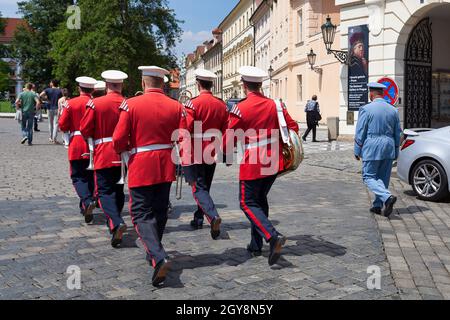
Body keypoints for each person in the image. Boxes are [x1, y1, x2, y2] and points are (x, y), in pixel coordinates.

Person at [113, 66, 187, 287]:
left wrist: (126, 148)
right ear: (162, 83)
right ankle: (155, 250)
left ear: (143, 83)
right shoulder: (176, 106)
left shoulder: (131, 104)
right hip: (166, 163)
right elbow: (183, 136)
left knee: (140, 214)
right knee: (160, 210)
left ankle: (157, 254)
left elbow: (118, 139)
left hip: (141, 164)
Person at [223, 66, 299, 266]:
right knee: (259, 199)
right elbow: (293, 127)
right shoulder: (276, 105)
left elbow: (227, 141)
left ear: (244, 85)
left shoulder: (241, 108)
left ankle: (272, 236)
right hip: (273, 161)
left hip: (254, 161)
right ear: (260, 85)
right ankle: (255, 244)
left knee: (247, 202)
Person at [80, 70, 128, 248]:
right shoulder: (127, 103)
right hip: (123, 153)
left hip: (104, 151)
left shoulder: (95, 103)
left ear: (107, 85)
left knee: (104, 191)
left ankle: (115, 222)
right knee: (118, 189)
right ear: (121, 85)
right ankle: (114, 221)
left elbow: (85, 129)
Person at [182, 69, 228, 237]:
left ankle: (212, 215)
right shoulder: (221, 104)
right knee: (205, 186)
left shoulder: (192, 104)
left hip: (196, 149)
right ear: (212, 85)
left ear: (198, 84)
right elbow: (226, 130)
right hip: (213, 149)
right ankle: (199, 217)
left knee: (198, 187)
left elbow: (186, 129)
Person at [354, 82, 401, 218]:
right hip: (389, 146)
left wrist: (357, 150)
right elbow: (397, 133)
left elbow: (360, 131)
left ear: (371, 94)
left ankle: (387, 197)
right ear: (383, 93)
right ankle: (377, 205)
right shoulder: (393, 110)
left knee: (368, 176)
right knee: (383, 178)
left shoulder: (366, 109)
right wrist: (396, 151)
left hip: (372, 145)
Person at [58, 77, 97, 222]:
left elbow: (62, 125)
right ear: (92, 89)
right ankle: (86, 205)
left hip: (77, 143)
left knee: (78, 176)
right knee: (90, 176)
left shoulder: (70, 103)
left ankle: (87, 201)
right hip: (93, 144)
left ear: (79, 89)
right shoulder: (95, 103)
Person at [40, 79, 63, 144]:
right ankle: (54, 139)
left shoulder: (47, 90)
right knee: (56, 124)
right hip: (57, 108)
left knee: (50, 123)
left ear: (52, 83)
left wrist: (47, 99)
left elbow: (41, 95)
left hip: (49, 107)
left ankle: (50, 137)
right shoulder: (59, 91)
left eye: (50, 82)